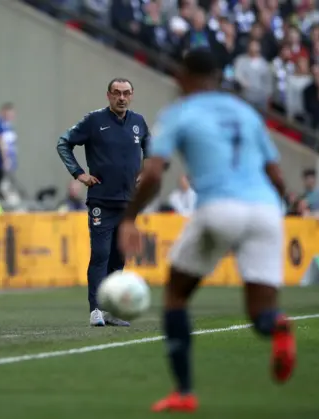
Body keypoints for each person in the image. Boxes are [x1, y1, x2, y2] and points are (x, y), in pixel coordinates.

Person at [118, 48, 296, 413]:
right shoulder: (246, 112)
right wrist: (281, 214)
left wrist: (129, 217)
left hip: (220, 207)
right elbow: (277, 176)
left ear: (184, 75)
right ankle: (278, 324)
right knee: (261, 314)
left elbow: (153, 174)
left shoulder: (180, 112)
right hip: (265, 210)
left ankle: (184, 392)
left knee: (176, 296)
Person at [56, 77, 150, 327]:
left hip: (128, 203)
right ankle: (95, 309)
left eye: (126, 93)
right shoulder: (94, 121)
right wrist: (79, 174)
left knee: (119, 258)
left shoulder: (138, 123)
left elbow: (150, 149)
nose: (122, 98)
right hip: (101, 200)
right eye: (117, 93)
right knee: (101, 254)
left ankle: (113, 309)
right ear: (108, 95)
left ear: (132, 95)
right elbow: (64, 143)